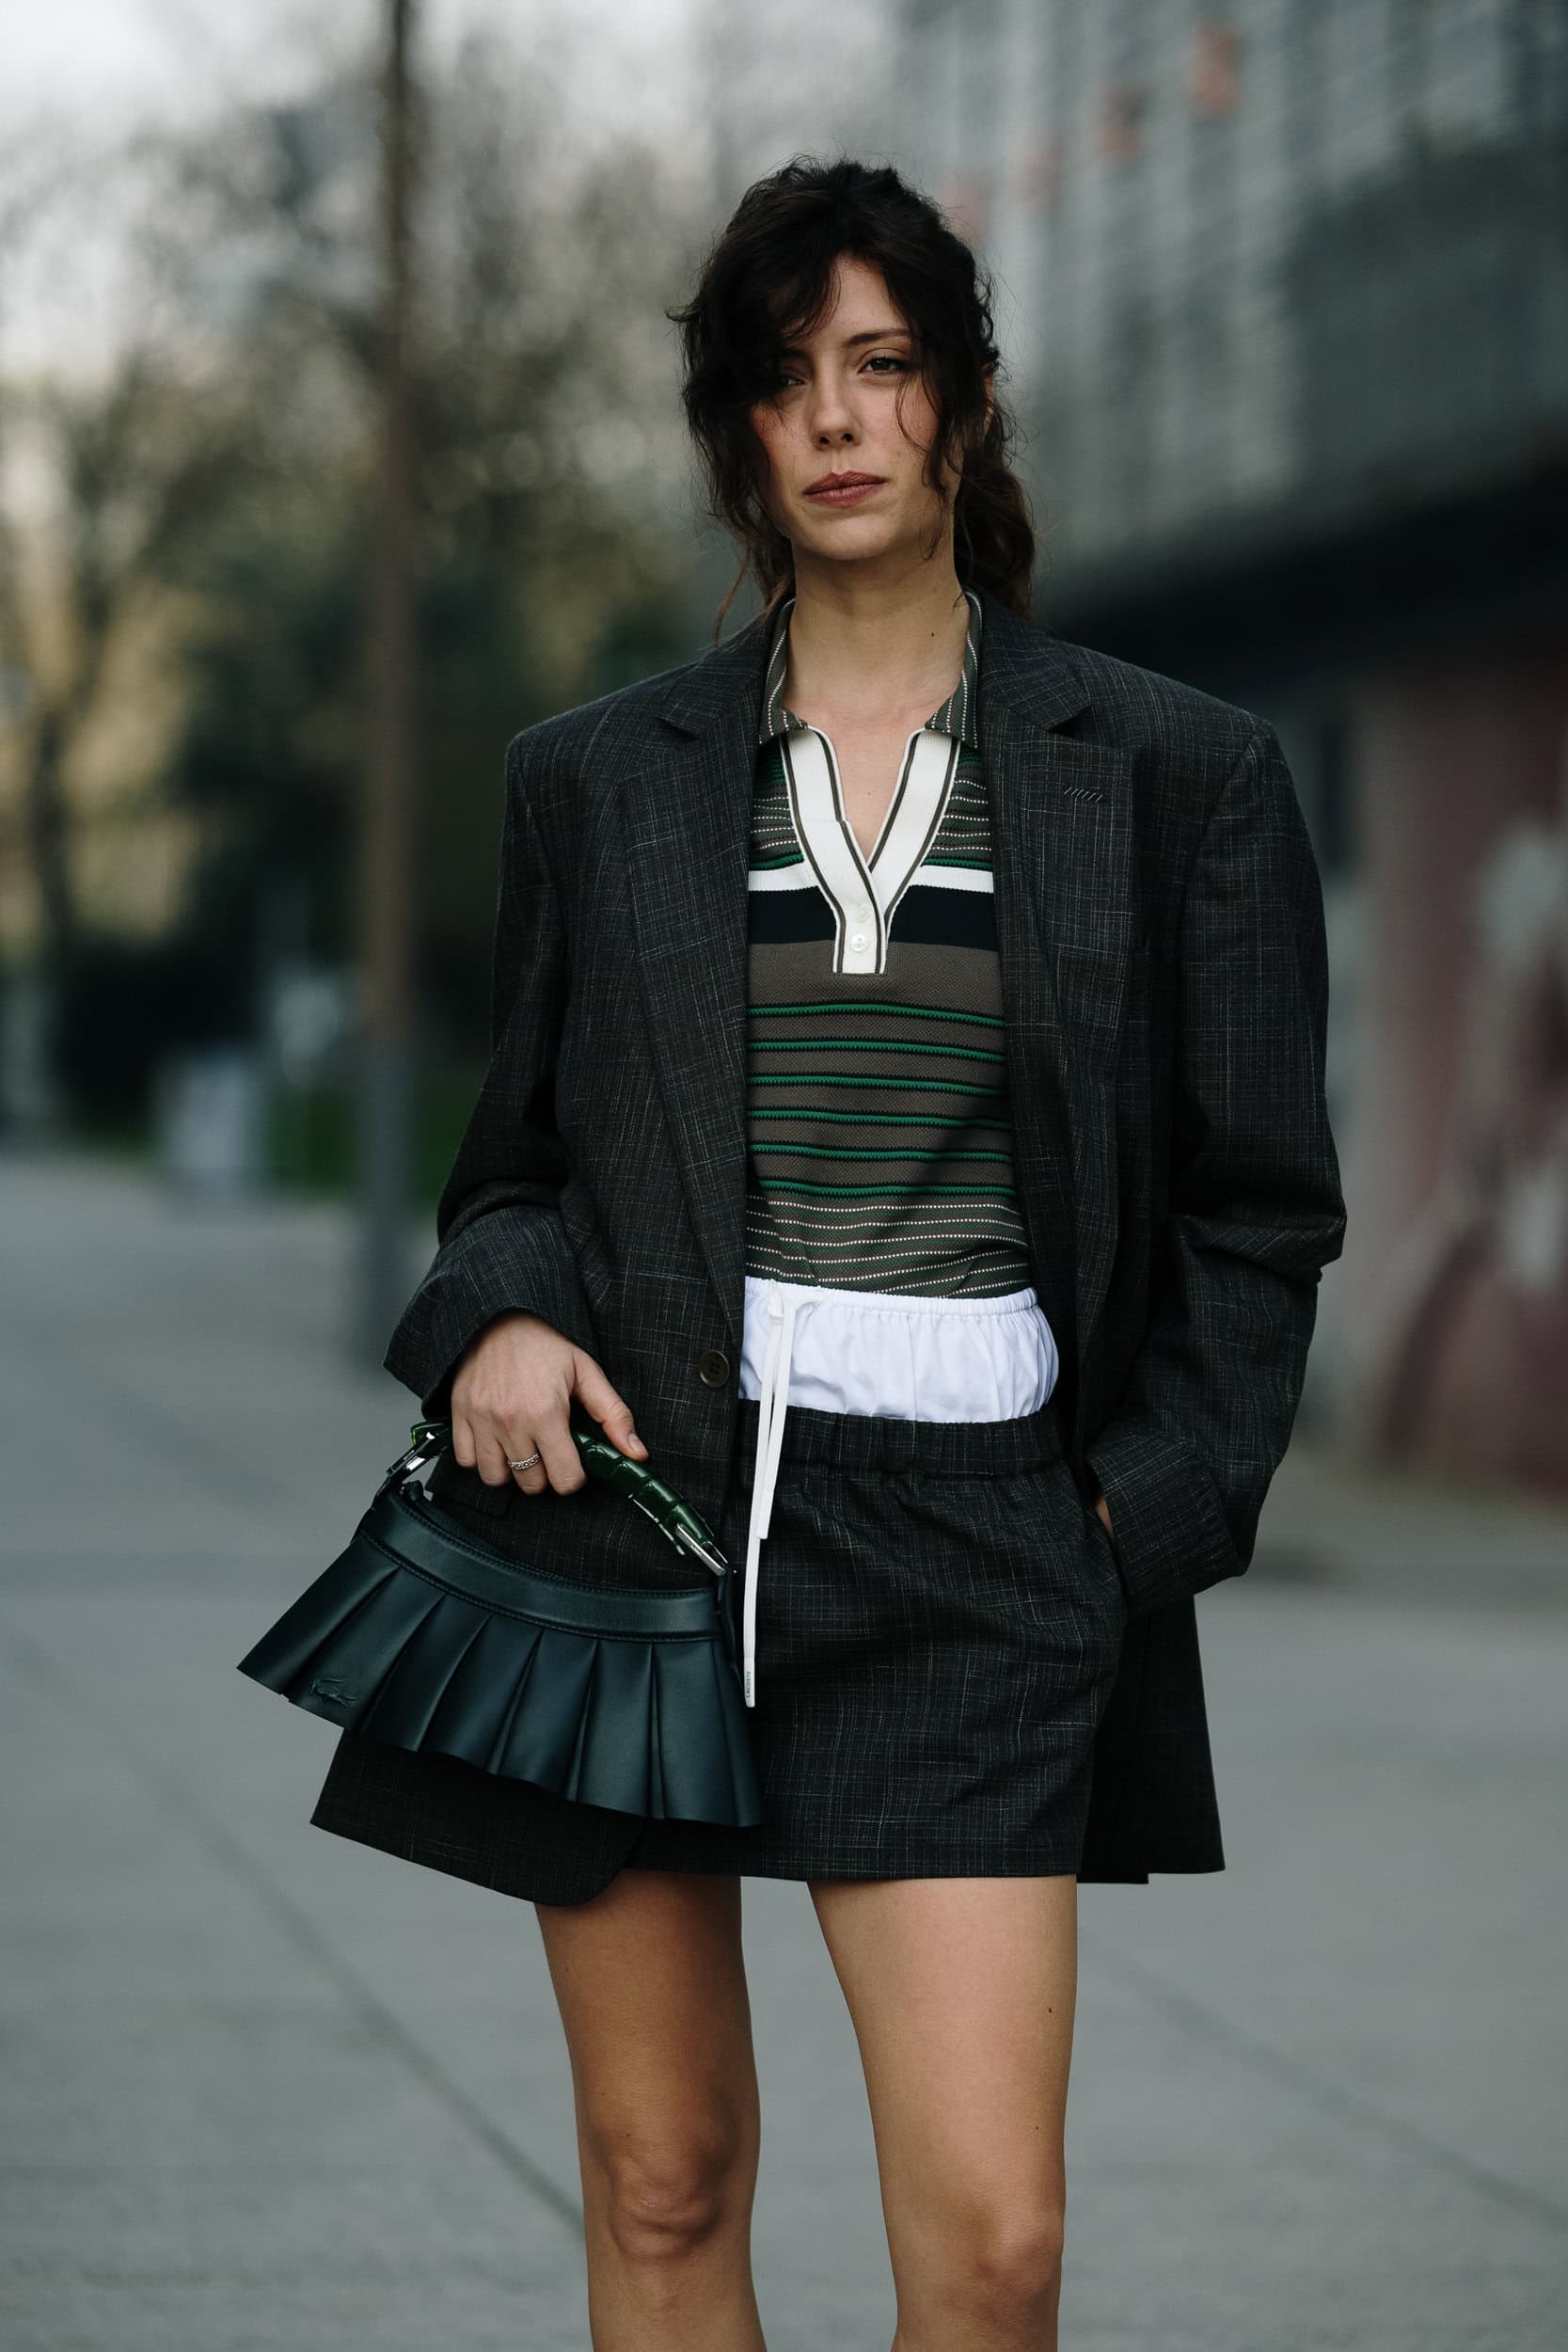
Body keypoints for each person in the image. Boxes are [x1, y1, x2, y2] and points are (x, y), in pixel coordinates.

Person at [309, 156, 1347, 2351]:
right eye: (788, 380)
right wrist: (501, 1309)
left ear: (963, 397)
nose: (841, 418)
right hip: (640, 1513)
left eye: (884, 364)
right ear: (739, 436)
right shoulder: (601, 781)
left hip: (987, 1545)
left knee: (993, 2254)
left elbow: (1260, 1208)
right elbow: (519, 1165)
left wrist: (1129, 1517)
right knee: (661, 2180)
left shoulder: (1179, 777)